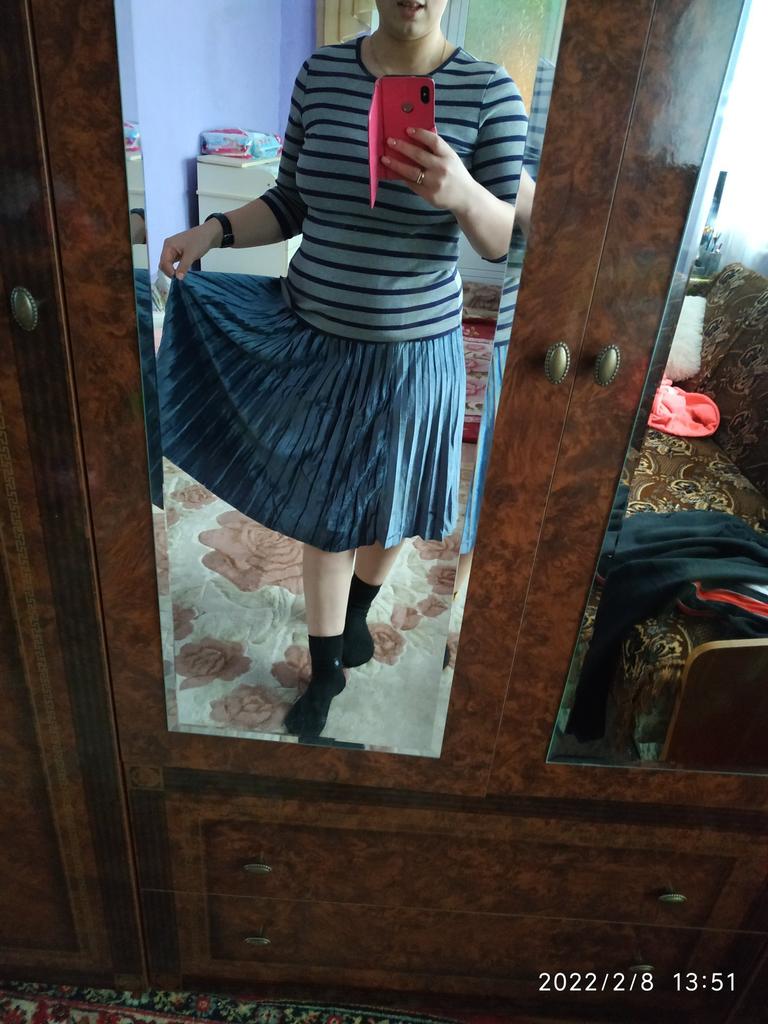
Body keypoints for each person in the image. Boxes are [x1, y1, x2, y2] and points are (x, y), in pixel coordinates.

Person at [156, 0, 528, 739]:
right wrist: (214, 230)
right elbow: (290, 201)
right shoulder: (321, 75)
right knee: (327, 517)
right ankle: (326, 668)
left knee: (395, 507)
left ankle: (357, 616)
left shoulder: (490, 92)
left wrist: (459, 191)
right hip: (313, 336)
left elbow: (499, 238)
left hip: (415, 354)